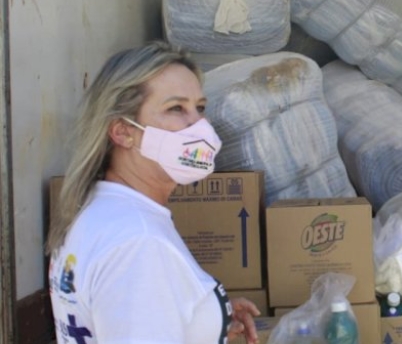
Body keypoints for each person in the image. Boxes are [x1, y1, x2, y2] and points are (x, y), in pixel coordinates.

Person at [46, 41, 261, 343]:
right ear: (123, 131)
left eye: (200, 107)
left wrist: (209, 317)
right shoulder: (138, 242)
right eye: (176, 108)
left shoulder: (97, 211)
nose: (199, 126)